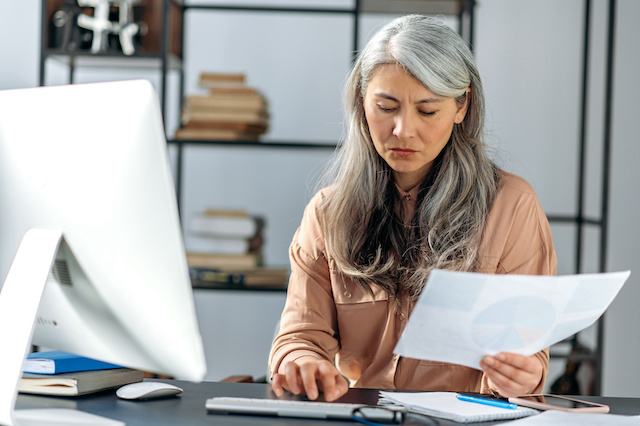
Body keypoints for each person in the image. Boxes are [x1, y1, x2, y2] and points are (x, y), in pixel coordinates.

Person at [268, 14, 556, 402]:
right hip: (361, 413)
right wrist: (301, 362)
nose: (403, 130)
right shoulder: (328, 212)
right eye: (386, 107)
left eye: (427, 110)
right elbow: (300, 337)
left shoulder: (510, 206)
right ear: (361, 103)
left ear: (461, 106)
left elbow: (528, 355)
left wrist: (523, 374)